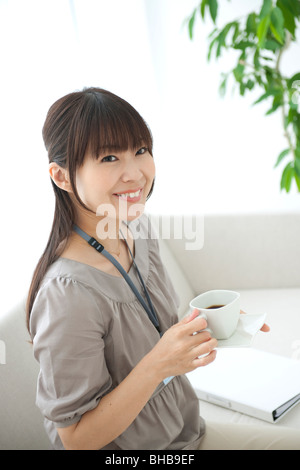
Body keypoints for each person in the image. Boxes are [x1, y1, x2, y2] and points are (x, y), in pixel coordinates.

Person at [27, 87, 300, 450]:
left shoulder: (136, 226)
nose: (135, 173)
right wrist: (159, 364)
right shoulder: (67, 293)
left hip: (189, 433)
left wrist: (210, 324)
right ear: (61, 177)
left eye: (140, 150)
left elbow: (155, 331)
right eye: (109, 157)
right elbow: (76, 439)